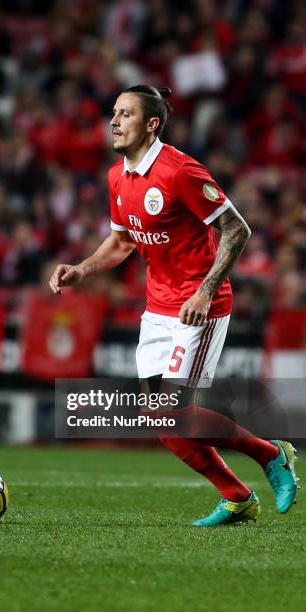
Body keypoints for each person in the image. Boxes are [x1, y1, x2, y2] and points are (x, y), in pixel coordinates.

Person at [49, 85, 298, 526]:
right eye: (113, 113)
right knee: (161, 422)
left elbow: (236, 230)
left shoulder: (180, 170)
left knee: (173, 411)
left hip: (199, 307)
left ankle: (272, 453)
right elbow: (122, 241)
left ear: (151, 124)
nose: (113, 121)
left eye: (125, 114)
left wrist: (205, 290)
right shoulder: (116, 177)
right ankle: (237, 496)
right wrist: (82, 269)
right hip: (157, 309)